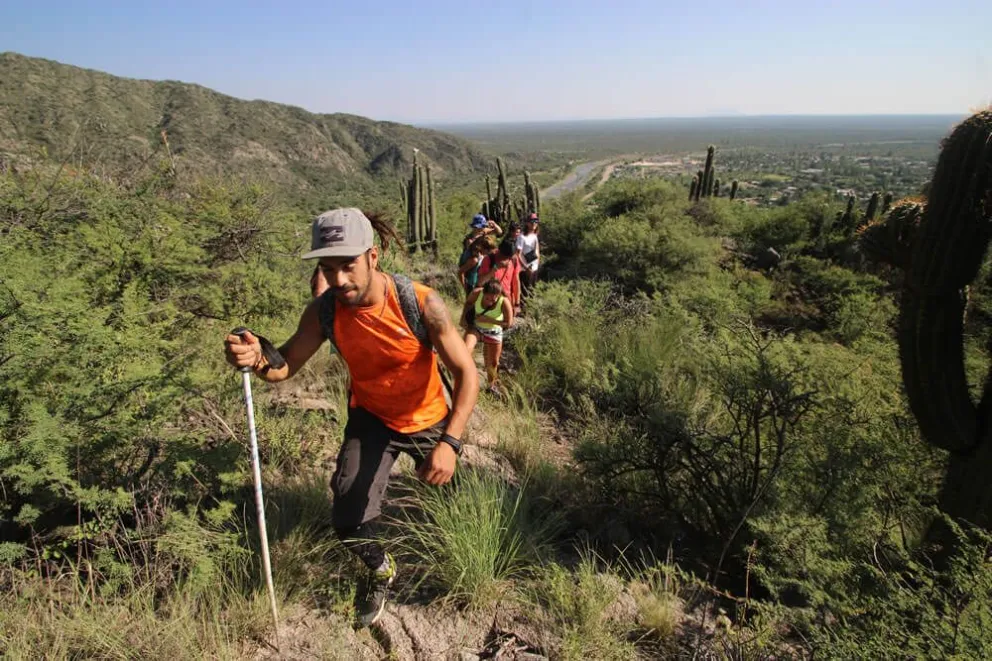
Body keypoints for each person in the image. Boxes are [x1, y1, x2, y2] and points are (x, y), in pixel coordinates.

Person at [224, 208, 478, 628]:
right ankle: (380, 570)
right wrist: (255, 359)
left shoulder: (420, 302)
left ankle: (469, 565)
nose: (339, 280)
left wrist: (449, 444)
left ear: (373, 257)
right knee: (348, 516)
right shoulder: (325, 312)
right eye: (328, 268)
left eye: (348, 266)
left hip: (429, 417)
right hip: (371, 417)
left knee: (457, 501)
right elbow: (284, 365)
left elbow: (466, 372)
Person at [461, 279, 514, 393]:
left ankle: (491, 386)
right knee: (465, 350)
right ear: (483, 293)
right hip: (476, 327)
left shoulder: (504, 301)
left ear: (498, 295)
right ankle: (462, 378)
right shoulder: (477, 293)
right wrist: (463, 319)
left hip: (493, 331)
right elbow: (468, 303)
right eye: (487, 298)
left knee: (493, 362)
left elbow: (508, 323)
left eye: (493, 299)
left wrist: (489, 320)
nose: (490, 301)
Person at [476, 238, 521, 310]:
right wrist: (495, 268)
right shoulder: (489, 259)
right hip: (490, 301)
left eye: (509, 257)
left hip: (507, 301)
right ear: (499, 251)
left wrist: (517, 304)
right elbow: (480, 283)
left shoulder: (514, 259)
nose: (506, 259)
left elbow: (516, 282)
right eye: (505, 256)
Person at [516, 215, 541, 304]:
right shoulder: (521, 237)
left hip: (534, 267)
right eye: (532, 221)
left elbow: (537, 250)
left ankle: (531, 308)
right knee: (525, 289)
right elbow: (517, 254)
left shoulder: (534, 235)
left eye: (536, 221)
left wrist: (537, 262)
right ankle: (523, 310)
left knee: (532, 289)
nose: (534, 223)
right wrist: (526, 268)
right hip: (525, 268)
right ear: (527, 223)